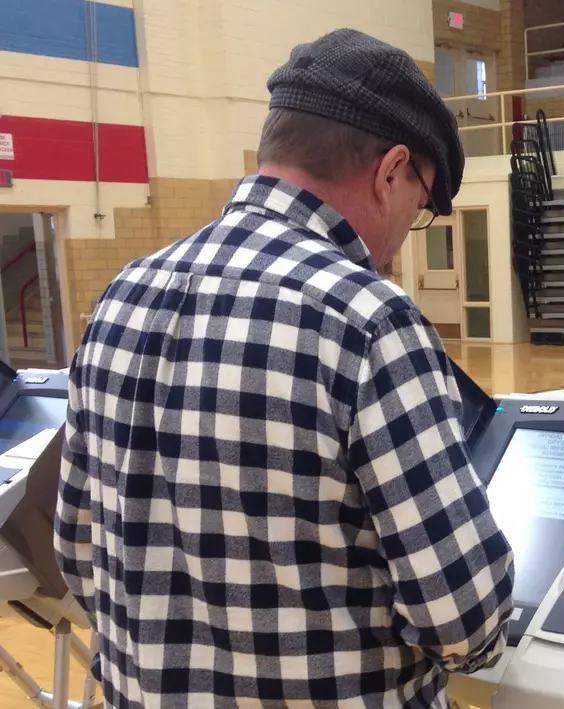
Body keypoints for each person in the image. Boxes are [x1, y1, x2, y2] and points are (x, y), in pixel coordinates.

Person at [54, 28, 514, 708]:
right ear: (390, 171)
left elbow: (79, 550)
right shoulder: (369, 321)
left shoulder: (124, 292)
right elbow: (461, 612)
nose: (395, 247)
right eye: (417, 210)